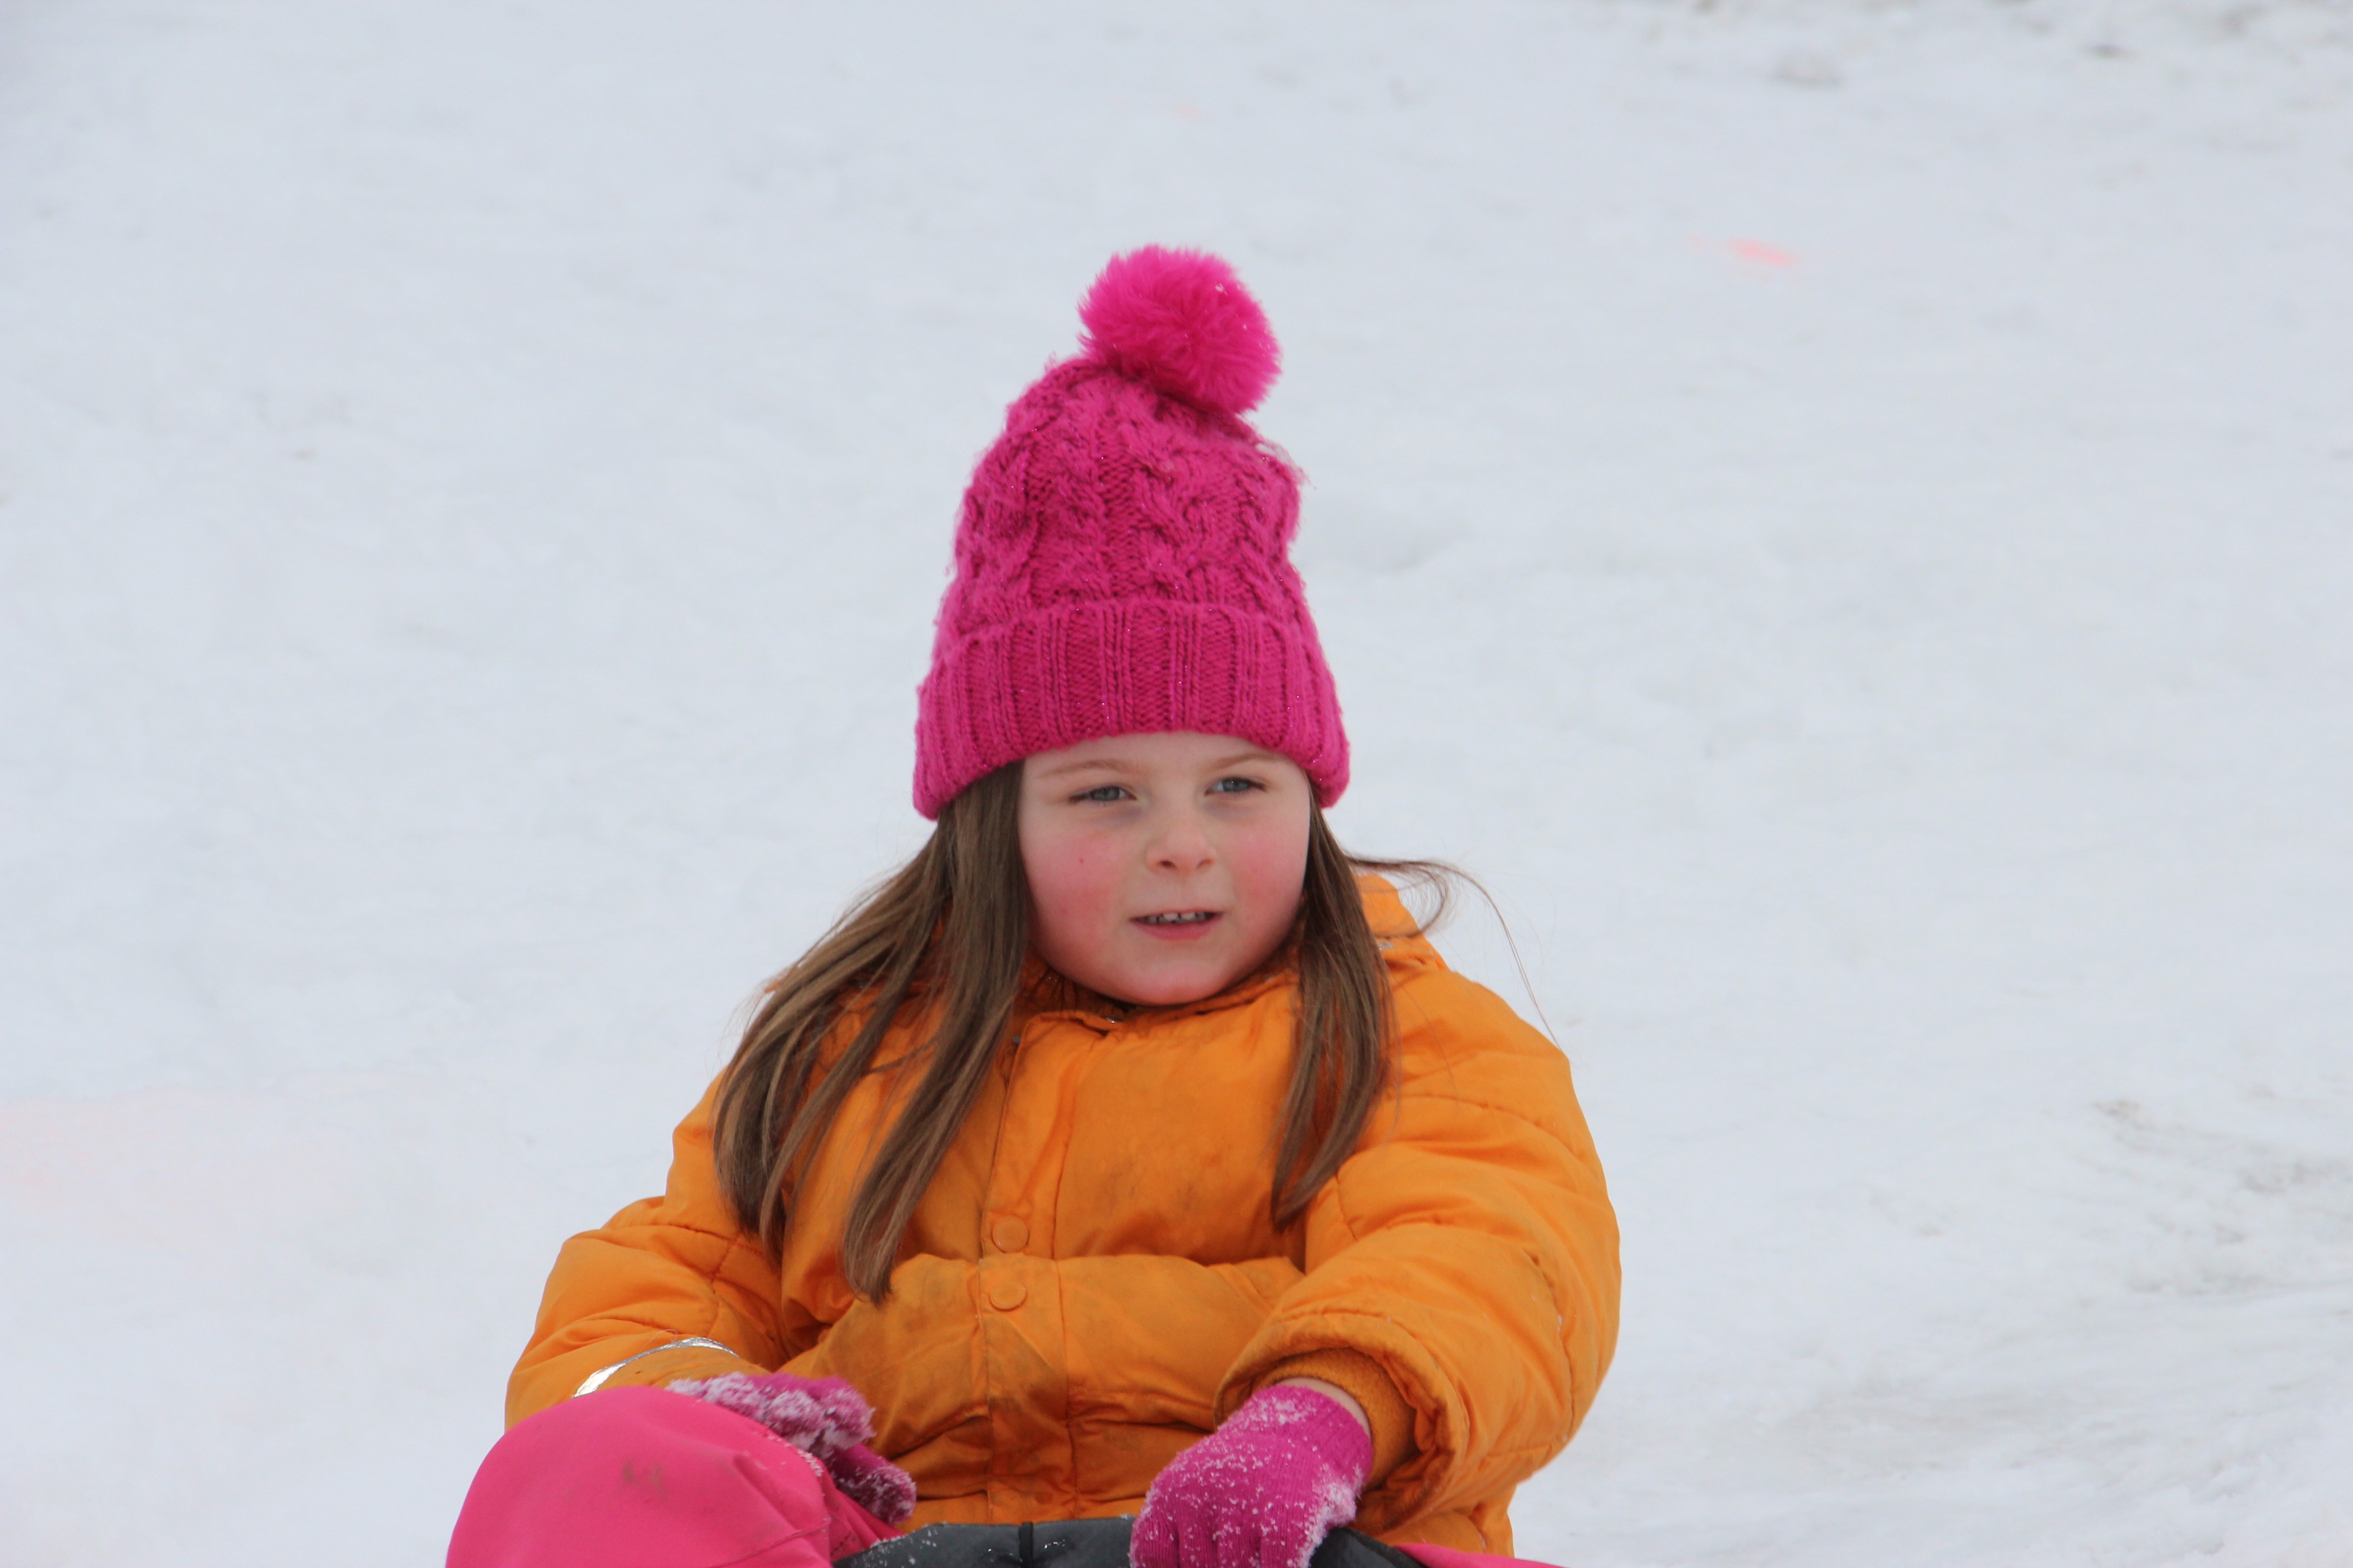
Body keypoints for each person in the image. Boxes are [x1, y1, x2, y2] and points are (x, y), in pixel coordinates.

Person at [447, 248, 1619, 1568]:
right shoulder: (849, 1047)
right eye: (1106, 794)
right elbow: (656, 1284)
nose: (1183, 847)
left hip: (1264, 1542)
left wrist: (1326, 1416)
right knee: (581, 1471)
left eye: (1238, 785)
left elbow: (1489, 1247)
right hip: (897, 1547)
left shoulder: (1401, 1032)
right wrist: (699, 1406)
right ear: (990, 820)